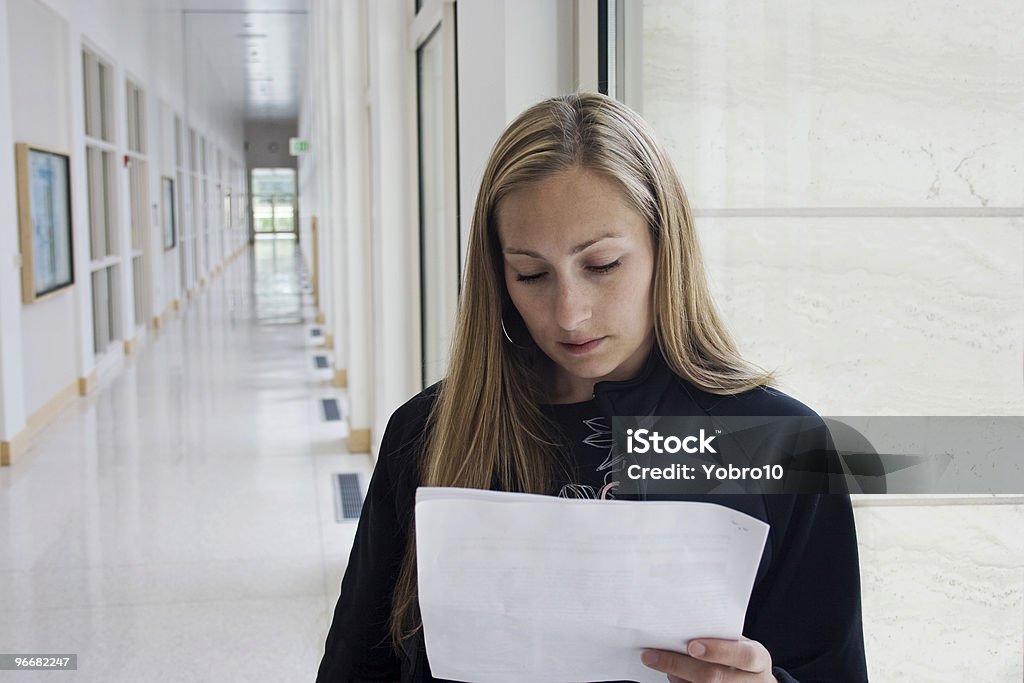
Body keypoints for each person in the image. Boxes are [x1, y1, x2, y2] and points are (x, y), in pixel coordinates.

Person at [316, 92, 868, 683]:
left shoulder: (775, 441)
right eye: (531, 274)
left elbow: (830, 667)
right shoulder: (430, 431)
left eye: (602, 265)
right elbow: (359, 661)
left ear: (665, 248)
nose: (569, 314)